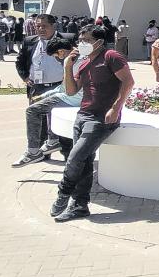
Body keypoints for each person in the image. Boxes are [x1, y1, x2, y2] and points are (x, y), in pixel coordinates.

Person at [51, 25, 133, 222]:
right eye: (80, 40)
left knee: (75, 158)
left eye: (87, 40)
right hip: (82, 116)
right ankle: (80, 206)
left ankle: (63, 192)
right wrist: (67, 66)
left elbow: (128, 82)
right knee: (84, 161)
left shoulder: (111, 56)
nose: (82, 43)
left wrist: (116, 108)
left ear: (99, 42)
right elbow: (71, 91)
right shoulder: (84, 62)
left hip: (100, 119)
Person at [16, 36, 84, 166]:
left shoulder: (74, 63)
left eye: (55, 56)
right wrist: (43, 96)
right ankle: (53, 140)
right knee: (46, 103)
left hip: (73, 99)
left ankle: (33, 151)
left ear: (61, 52)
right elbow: (63, 87)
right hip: (70, 96)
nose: (57, 59)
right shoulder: (75, 58)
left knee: (32, 111)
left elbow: (69, 90)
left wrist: (66, 66)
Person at [16, 14, 64, 99]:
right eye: (38, 26)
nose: (41, 29)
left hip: (60, 87)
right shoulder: (29, 41)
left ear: (54, 26)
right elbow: (20, 61)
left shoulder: (65, 40)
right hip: (36, 88)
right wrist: (25, 77)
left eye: (44, 26)